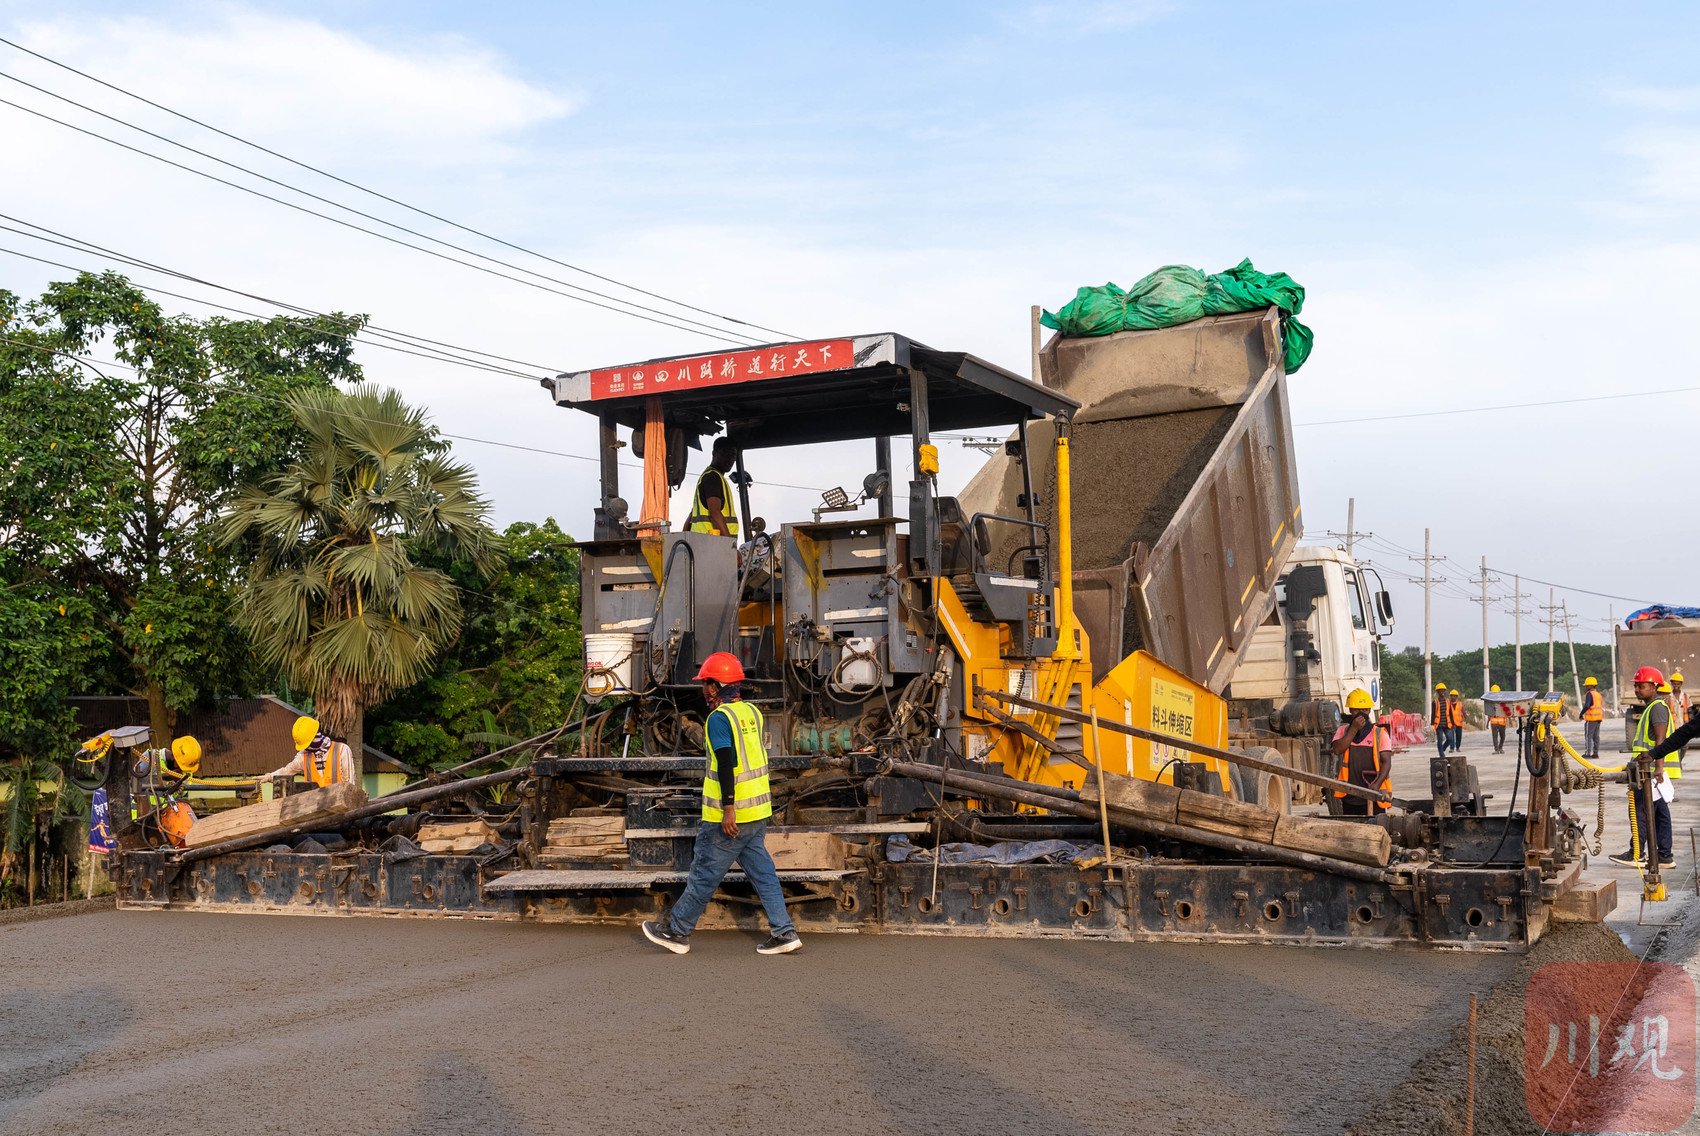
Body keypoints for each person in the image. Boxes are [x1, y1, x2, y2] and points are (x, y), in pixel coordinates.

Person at [643, 651, 800, 956]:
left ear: (715, 687)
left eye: (705, 684)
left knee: (704, 873)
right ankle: (784, 932)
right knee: (763, 873)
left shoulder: (718, 718)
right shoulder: (751, 713)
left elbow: (727, 764)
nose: (703, 690)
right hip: (756, 812)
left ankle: (676, 931)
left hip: (730, 817)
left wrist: (728, 808)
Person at [1610, 667, 1676, 870]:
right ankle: (1664, 856)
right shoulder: (1652, 707)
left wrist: (1658, 766)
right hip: (1649, 769)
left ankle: (1636, 853)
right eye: (1636, 685)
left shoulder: (1656, 707)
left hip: (1650, 771)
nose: (1638, 689)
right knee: (1659, 813)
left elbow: (1660, 739)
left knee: (1640, 811)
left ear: (1654, 687)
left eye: (1642, 686)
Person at [1329, 688, 1390, 816]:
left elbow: (1386, 762)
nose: (1360, 714)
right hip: (1350, 794)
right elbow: (1337, 750)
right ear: (1351, 711)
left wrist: (1377, 784)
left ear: (1368, 710)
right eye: (1356, 710)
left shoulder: (1379, 733)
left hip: (1374, 794)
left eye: (1364, 710)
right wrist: (1353, 729)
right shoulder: (1343, 731)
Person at [257, 715, 358, 788]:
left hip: (340, 808)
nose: (306, 748)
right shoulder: (303, 756)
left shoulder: (342, 750)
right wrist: (269, 777)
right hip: (313, 808)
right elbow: (287, 771)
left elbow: (350, 783)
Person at [685, 437, 741, 537]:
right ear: (714, 453)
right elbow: (715, 514)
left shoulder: (711, 476)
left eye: (733, 455)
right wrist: (731, 547)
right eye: (725, 453)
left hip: (702, 544)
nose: (730, 459)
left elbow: (691, 516)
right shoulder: (712, 477)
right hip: (712, 546)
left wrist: (684, 538)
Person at [1579, 676, 1605, 759]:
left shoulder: (1589, 694)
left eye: (1587, 686)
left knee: (1588, 736)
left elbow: (1587, 705)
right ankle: (1595, 753)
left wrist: (1581, 713)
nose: (1586, 687)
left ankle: (1587, 753)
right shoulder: (1598, 694)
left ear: (1590, 686)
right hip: (1598, 719)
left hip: (1591, 719)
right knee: (1596, 737)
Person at [1431, 683, 1451, 757]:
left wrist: (1453, 723)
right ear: (1437, 692)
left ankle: (1442, 749)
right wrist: (1432, 724)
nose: (1442, 692)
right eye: (1440, 690)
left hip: (1447, 724)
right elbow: (1433, 713)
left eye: (1443, 690)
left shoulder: (1448, 701)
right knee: (1440, 739)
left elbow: (1450, 712)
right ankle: (1441, 754)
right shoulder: (1435, 702)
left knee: (1450, 739)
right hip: (1438, 724)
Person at [1487, 686, 1508, 754]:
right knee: (1497, 737)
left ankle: (1499, 748)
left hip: (1500, 722)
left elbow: (1506, 710)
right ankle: (1498, 749)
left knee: (1501, 737)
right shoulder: (1491, 702)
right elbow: (1489, 713)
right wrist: (1488, 722)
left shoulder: (1502, 701)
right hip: (1495, 722)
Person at [1446, 687, 1466, 752]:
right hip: (1450, 723)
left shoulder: (1460, 704)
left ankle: (1457, 747)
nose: (1453, 697)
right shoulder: (1448, 704)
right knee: (1451, 736)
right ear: (1450, 696)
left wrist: (1466, 717)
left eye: (1454, 696)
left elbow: (1463, 711)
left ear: (1456, 697)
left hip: (1459, 723)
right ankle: (1452, 748)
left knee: (1458, 736)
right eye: (1452, 696)